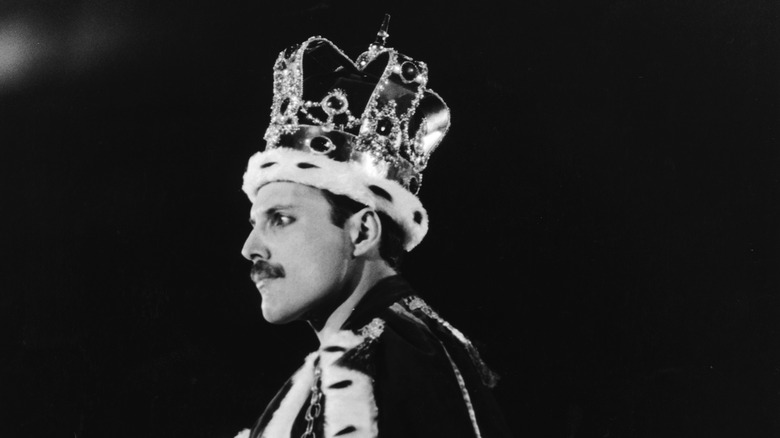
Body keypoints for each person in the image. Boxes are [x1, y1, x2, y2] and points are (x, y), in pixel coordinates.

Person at [234, 18, 512, 438]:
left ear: (362, 232)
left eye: (281, 219)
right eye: (255, 222)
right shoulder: (386, 353)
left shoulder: (385, 371)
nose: (250, 248)